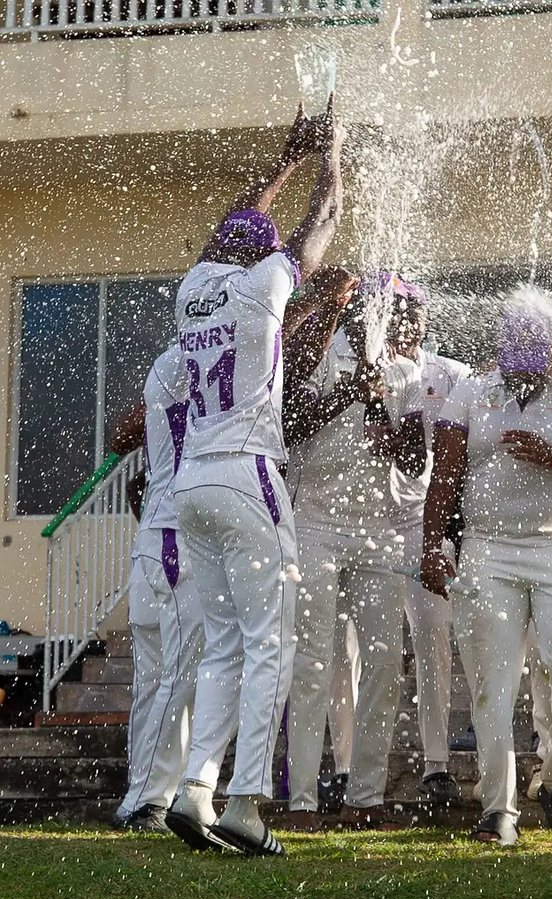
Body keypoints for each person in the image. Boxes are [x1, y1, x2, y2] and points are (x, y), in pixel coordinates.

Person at [165, 99, 344, 857]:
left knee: (224, 646)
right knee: (272, 641)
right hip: (248, 474)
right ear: (262, 256)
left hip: (191, 485)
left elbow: (233, 226)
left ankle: (194, 788)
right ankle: (245, 805)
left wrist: (284, 158)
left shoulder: (193, 290)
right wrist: (329, 156)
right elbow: (326, 219)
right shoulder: (263, 285)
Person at [421, 294, 552, 846]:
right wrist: (433, 544)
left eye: (534, 339)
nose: (522, 352)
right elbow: (446, 474)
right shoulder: (471, 392)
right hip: (489, 549)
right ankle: (498, 807)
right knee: (493, 681)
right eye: (512, 339)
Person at [282, 273, 428, 831]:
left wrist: (378, 412)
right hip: (314, 525)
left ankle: (365, 796)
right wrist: (348, 390)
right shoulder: (317, 354)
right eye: (371, 306)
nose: (383, 316)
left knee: (386, 663)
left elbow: (414, 460)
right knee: (313, 663)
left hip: (378, 531)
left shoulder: (406, 371)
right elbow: (288, 427)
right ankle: (300, 801)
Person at [383, 278, 471, 806]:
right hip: (360, 523)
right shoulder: (361, 370)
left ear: (426, 317)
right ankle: (348, 767)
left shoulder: (452, 376)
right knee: (355, 655)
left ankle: (436, 764)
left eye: (411, 309)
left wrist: (448, 535)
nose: (402, 319)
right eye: (393, 309)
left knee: (433, 640)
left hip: (423, 523)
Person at [110, 350, 203, 834]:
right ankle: (149, 799)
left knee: (156, 679)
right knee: (180, 675)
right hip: (175, 539)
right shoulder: (194, 358)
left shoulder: (168, 361)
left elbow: (120, 437)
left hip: (155, 536)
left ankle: (138, 797)